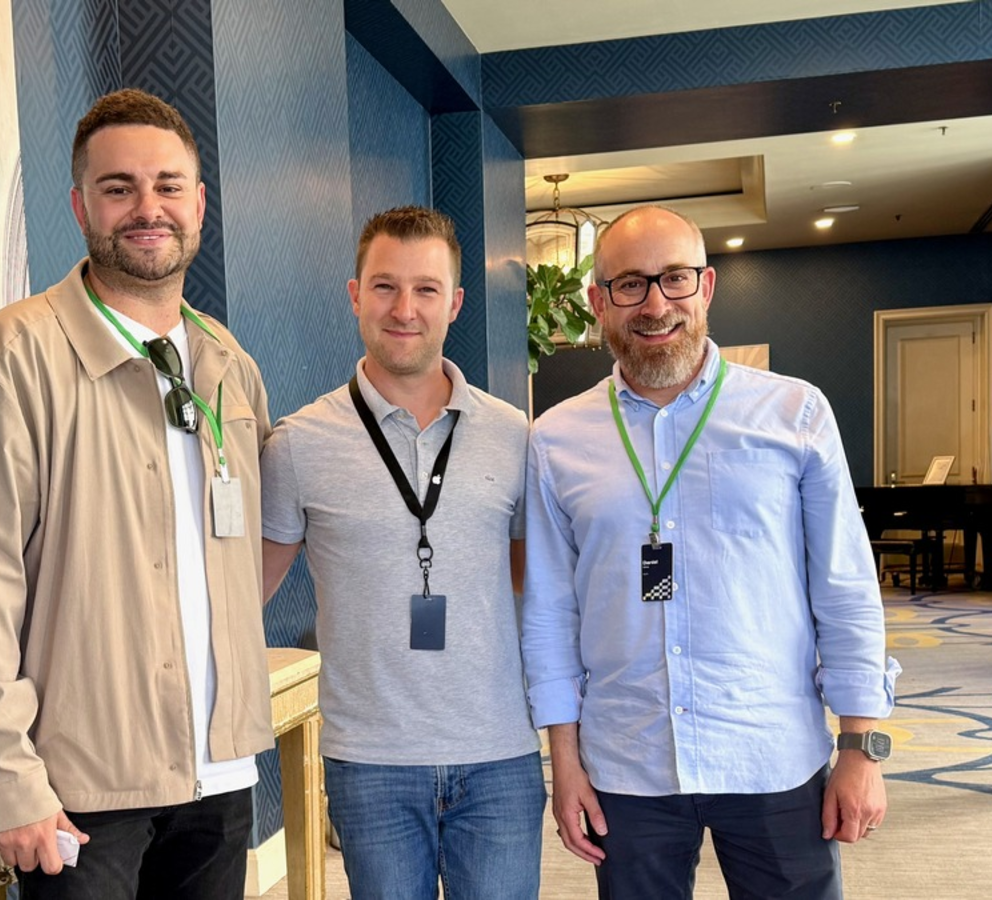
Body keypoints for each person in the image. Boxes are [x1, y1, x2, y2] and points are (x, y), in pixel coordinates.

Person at [0, 88, 274, 900]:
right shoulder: (8, 359)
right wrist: (5, 774)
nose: (148, 208)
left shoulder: (227, 361)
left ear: (199, 204)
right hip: (80, 786)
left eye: (168, 186)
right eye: (119, 188)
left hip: (219, 774)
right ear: (82, 206)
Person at [522, 204, 901, 900]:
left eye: (675, 278)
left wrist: (860, 746)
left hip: (770, 753)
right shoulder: (556, 439)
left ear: (707, 287)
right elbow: (550, 612)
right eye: (630, 284)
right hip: (627, 763)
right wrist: (564, 762)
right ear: (599, 304)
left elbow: (845, 588)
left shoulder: (795, 414)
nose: (655, 304)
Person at [259, 206, 546, 899]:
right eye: (385, 286)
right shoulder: (298, 444)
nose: (405, 309)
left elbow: (538, 588)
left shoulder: (515, 435)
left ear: (455, 303)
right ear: (355, 295)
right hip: (371, 762)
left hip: (500, 754)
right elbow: (240, 594)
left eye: (426, 289)